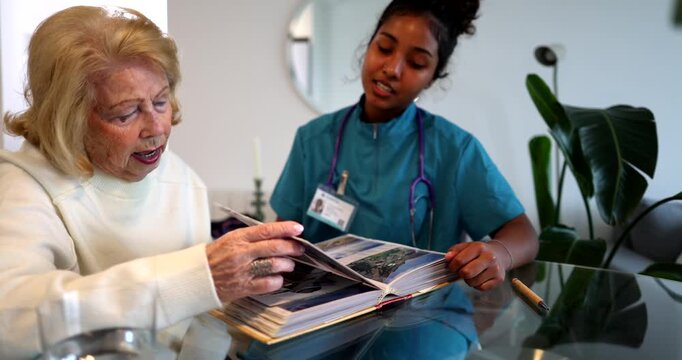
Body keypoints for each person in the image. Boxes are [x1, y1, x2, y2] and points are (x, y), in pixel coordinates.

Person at [0, 6, 304, 358]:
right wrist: (197, 277)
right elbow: (10, 318)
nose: (157, 127)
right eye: (126, 113)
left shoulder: (177, 175)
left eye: (161, 101)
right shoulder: (22, 188)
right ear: (68, 118)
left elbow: (204, 322)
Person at [270, 0, 538, 291]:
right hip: (324, 311)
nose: (392, 69)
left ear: (432, 76)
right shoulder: (313, 140)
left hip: (424, 314)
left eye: (417, 63)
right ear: (369, 46)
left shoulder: (454, 150)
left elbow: (523, 234)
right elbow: (283, 237)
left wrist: (499, 253)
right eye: (384, 48)